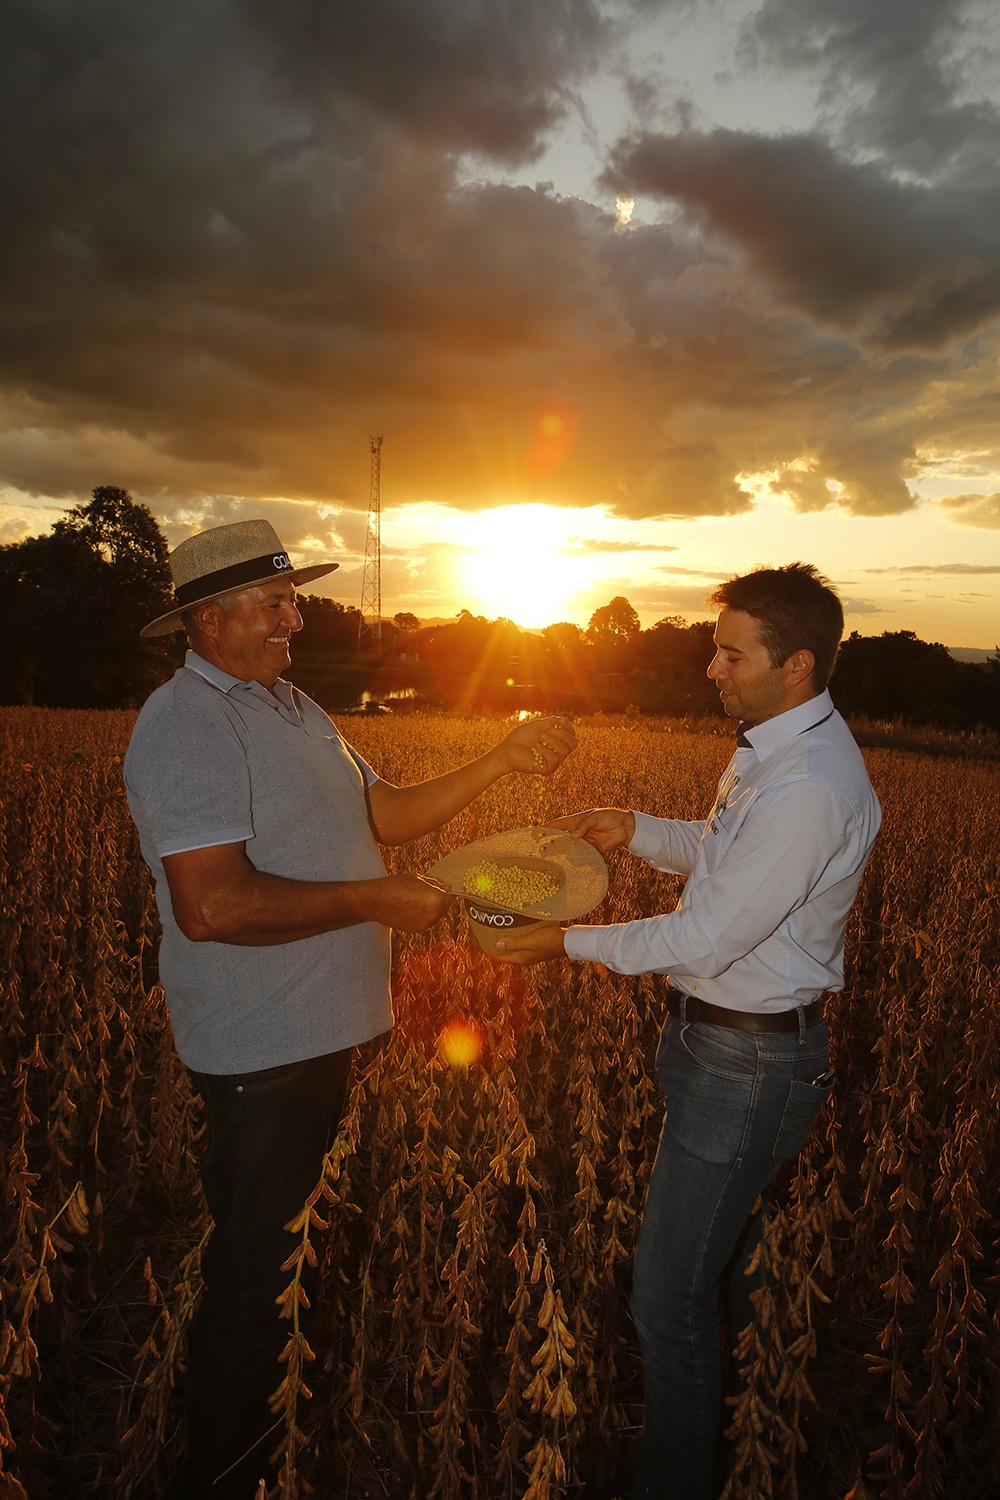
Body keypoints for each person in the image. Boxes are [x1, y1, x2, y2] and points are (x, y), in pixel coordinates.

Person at [123, 517, 577, 1500]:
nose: (299, 613)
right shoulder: (187, 724)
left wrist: (503, 759)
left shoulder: (290, 705)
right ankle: (229, 1476)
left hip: (321, 1039)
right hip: (261, 1053)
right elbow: (211, 906)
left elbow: (382, 815)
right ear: (208, 620)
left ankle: (277, 1461)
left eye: (295, 595)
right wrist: (375, 900)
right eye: (276, 601)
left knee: (293, 1271)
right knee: (256, 1292)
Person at [494, 563, 881, 1500]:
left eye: (729, 653)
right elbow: (722, 859)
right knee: (730, 1265)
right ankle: (756, 1446)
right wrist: (632, 828)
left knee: (666, 1301)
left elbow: (708, 932)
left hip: (747, 1064)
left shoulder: (811, 786)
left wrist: (561, 942)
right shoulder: (772, 748)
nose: (712, 667)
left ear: (796, 665)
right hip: (727, 1049)